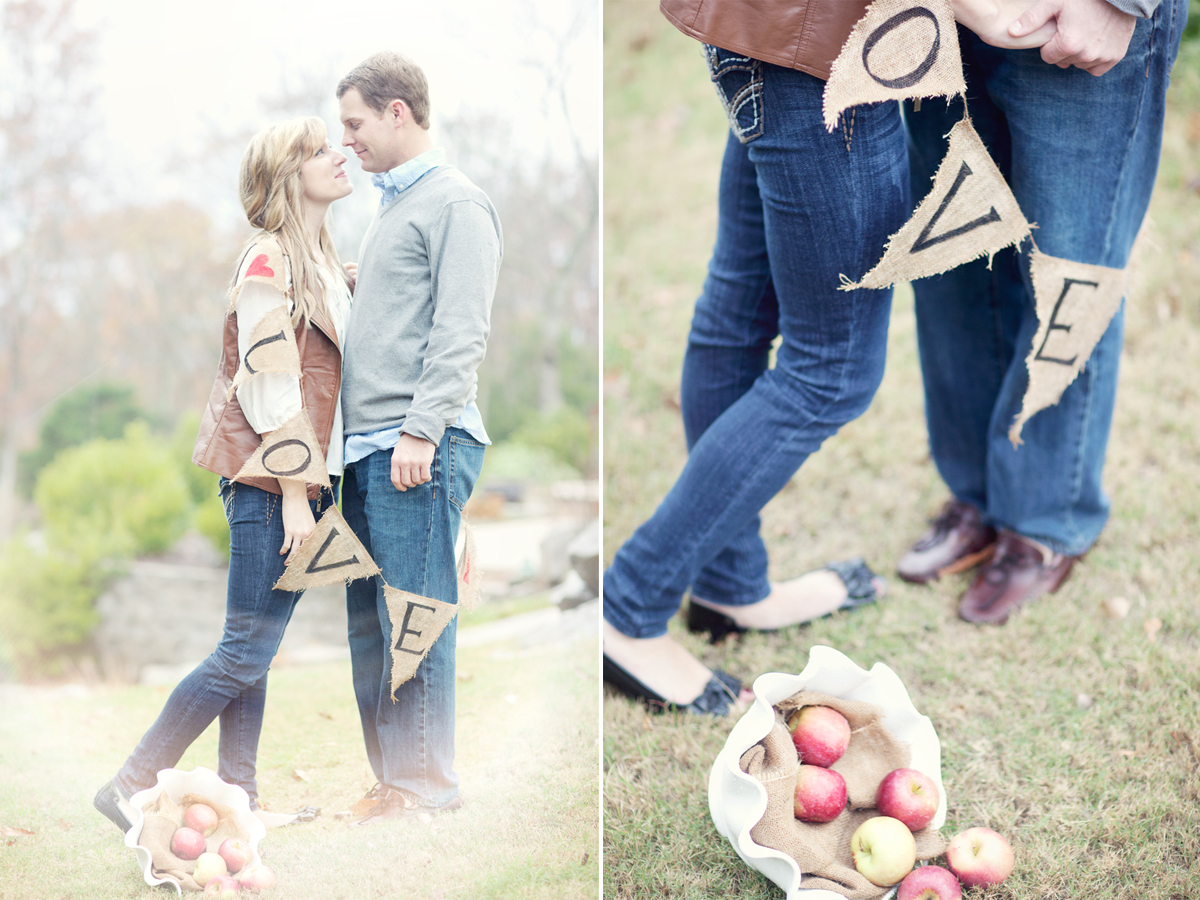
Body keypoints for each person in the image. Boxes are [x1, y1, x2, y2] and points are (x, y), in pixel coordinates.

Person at [602, 0, 1060, 716]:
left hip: (764, 31)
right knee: (833, 370)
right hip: (825, 46)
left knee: (742, 311)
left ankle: (728, 582)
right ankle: (629, 605)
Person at [93, 117, 354, 831]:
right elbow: (270, 384)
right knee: (243, 652)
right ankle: (129, 782)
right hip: (272, 489)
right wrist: (298, 496)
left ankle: (241, 797)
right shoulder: (268, 260)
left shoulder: (323, 259)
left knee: (253, 655)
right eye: (318, 149)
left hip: (297, 488)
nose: (339, 154)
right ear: (285, 174)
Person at [896, 0, 1186, 623]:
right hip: (944, 14)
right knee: (952, 263)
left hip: (1078, 13)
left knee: (1070, 280)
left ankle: (1043, 519)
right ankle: (976, 493)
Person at [334, 51, 501, 825]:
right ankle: (392, 783)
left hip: (415, 446)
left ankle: (428, 788)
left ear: (398, 111)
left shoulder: (455, 203)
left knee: (416, 618)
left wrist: (421, 430)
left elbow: (462, 331)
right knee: (369, 623)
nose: (348, 141)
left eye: (356, 123)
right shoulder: (390, 209)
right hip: (365, 447)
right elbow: (406, 316)